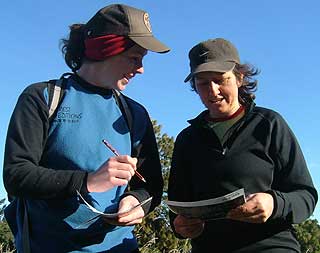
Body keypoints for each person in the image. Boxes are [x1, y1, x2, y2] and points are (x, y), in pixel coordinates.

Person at [3, 4, 169, 253]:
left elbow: (152, 186)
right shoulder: (43, 97)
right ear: (106, 49)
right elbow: (16, 175)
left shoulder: (136, 114)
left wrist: (137, 202)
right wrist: (88, 181)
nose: (141, 69)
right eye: (135, 57)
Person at [168, 38, 318, 252]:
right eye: (202, 83)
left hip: (271, 247)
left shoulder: (270, 124)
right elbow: (177, 206)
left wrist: (274, 204)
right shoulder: (187, 139)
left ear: (239, 77)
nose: (212, 90)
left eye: (220, 79)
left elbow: (306, 196)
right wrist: (181, 226)